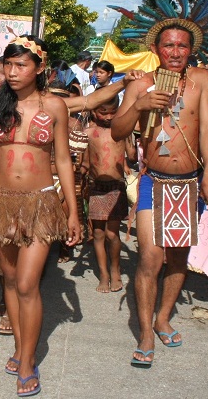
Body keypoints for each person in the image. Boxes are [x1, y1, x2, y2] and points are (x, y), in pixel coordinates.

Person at [0, 35, 82, 397]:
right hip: (0, 201)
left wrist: (72, 210)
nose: (12, 72)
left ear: (40, 68)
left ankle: (27, 363)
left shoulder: (55, 106)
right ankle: (19, 348)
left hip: (41, 202)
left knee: (28, 283)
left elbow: (62, 161)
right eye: (8, 65)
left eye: (21, 65)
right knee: (10, 281)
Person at [109, 0, 208, 367]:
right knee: (150, 258)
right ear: (157, 48)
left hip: (189, 183)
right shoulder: (141, 84)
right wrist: (141, 105)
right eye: (169, 45)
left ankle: (163, 317)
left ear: (191, 49)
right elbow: (117, 131)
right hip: (152, 181)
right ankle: (145, 332)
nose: (175, 51)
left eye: (182, 45)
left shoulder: (202, 80)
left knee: (178, 259)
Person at [82, 96, 136, 292]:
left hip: (116, 187)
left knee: (112, 234)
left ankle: (115, 269)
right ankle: (103, 274)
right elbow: (86, 162)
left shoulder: (121, 131)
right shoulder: (88, 132)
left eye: (113, 112)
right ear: (94, 111)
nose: (108, 116)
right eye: (103, 112)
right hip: (96, 187)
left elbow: (132, 156)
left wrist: (130, 138)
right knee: (97, 233)